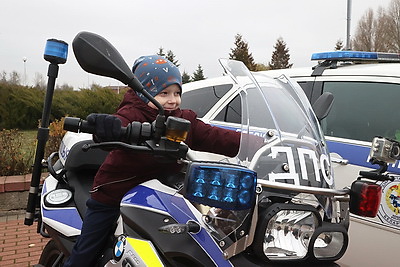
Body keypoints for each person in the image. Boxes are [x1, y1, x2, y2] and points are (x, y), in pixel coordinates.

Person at [64, 55, 240, 266]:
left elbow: (215, 137)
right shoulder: (133, 114)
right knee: (86, 249)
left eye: (177, 93)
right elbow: (116, 127)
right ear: (143, 92)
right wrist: (105, 127)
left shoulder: (183, 121)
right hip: (115, 191)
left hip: (162, 193)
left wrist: (257, 142)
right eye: (164, 93)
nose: (173, 100)